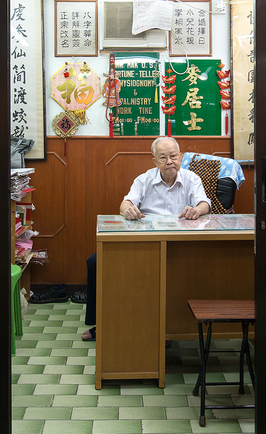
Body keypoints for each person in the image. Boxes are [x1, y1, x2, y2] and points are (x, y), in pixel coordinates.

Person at [81, 137, 211, 339]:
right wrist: (128, 210)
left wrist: (197, 210)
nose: (169, 161)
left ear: (181, 157)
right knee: (95, 262)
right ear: (154, 161)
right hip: (145, 243)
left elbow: (205, 203)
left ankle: (170, 328)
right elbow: (125, 203)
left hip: (181, 245)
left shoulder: (191, 179)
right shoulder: (144, 179)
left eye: (173, 156)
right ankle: (103, 324)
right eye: (163, 157)